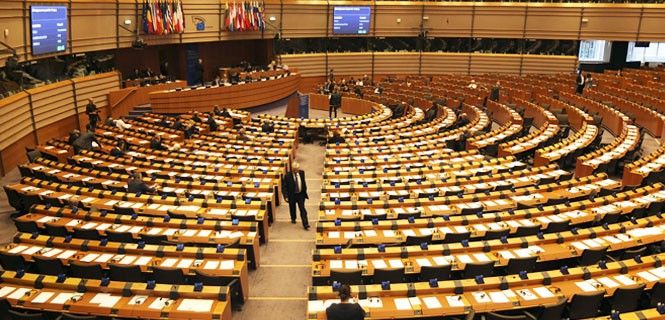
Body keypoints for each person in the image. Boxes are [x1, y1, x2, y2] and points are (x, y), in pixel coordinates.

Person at [282, 162, 310, 230]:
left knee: (302, 209)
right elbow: (284, 187)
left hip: (300, 194)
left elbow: (303, 182)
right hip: (292, 195)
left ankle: (305, 224)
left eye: (297, 169)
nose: (296, 171)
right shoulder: (287, 176)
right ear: (292, 169)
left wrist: (304, 192)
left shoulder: (302, 173)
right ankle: (293, 218)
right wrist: (286, 196)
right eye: (295, 170)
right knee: (292, 208)